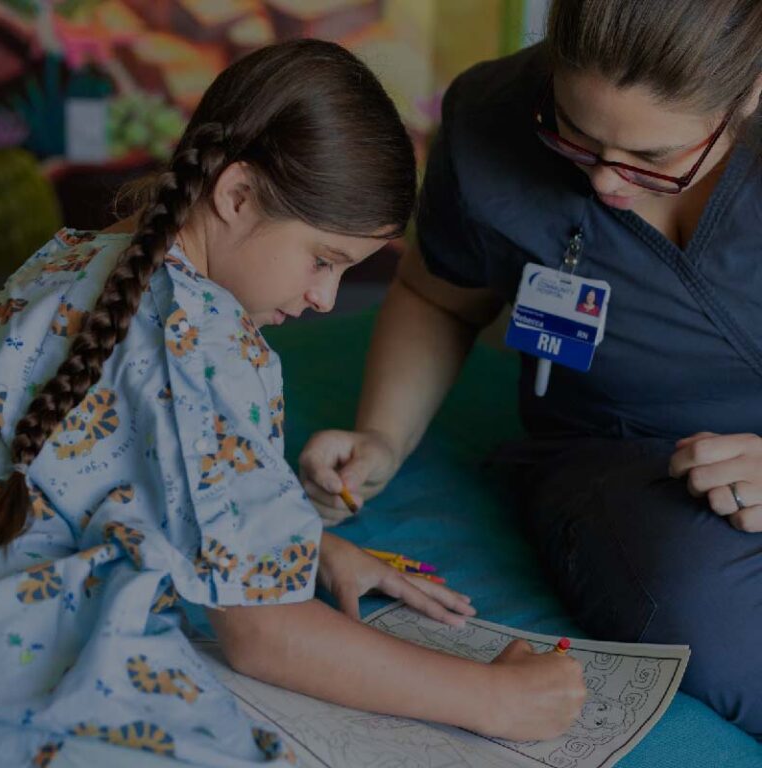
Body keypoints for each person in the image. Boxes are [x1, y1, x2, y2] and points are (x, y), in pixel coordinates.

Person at [0, 40, 585, 766]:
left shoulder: (70, 256)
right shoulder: (210, 350)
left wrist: (310, 547)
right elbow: (264, 635)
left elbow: (104, 468)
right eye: (323, 260)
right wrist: (498, 700)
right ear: (236, 195)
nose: (324, 299)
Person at [299, 0, 762, 740]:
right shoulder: (493, 118)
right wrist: (381, 437)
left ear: (750, 92)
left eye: (654, 160)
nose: (608, 186)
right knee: (710, 617)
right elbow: (438, 296)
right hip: (627, 451)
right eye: (576, 139)